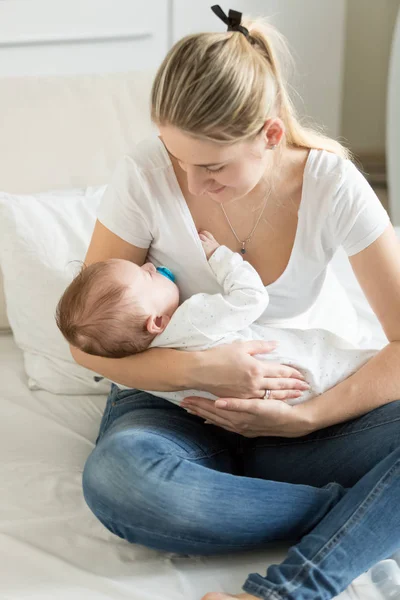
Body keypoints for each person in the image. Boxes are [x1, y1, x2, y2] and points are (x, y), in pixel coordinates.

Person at [70, 5, 400, 600]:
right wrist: (202, 368)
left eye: (212, 166)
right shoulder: (144, 174)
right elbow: (85, 342)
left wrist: (306, 417)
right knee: (124, 482)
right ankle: (363, 514)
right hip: (172, 406)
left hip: (301, 409)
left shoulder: (333, 186)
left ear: (270, 135)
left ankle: (291, 587)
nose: (190, 183)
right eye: (178, 160)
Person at [56, 230, 378, 409]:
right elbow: (253, 298)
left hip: (280, 404)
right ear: (156, 323)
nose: (150, 266)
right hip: (309, 368)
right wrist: (219, 256)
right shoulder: (192, 322)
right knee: (367, 368)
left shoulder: (138, 374)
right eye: (147, 277)